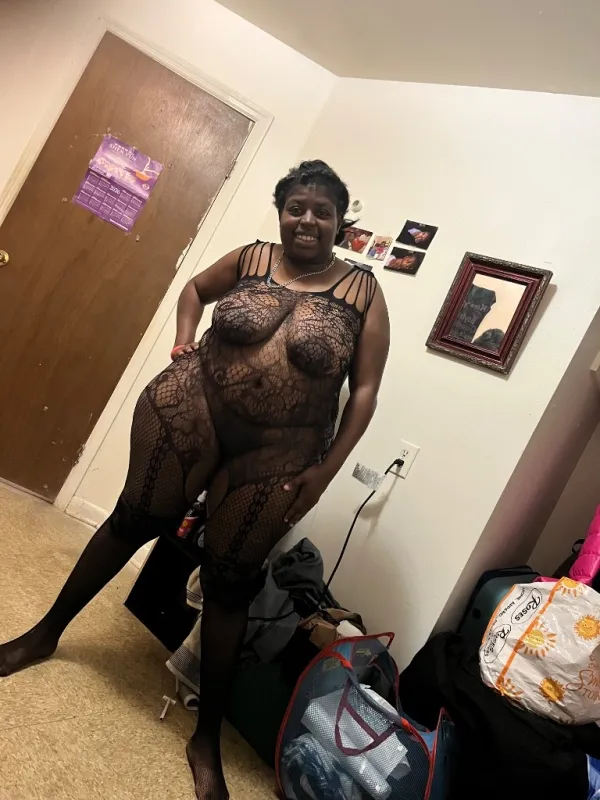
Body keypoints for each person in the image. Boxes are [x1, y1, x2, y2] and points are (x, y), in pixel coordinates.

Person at [0, 160, 390, 799]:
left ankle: (205, 736)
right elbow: (193, 290)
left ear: (340, 221)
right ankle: (42, 636)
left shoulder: (364, 294)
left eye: (322, 211)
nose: (307, 220)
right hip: (192, 412)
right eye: (296, 207)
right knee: (131, 522)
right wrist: (184, 340)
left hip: (279, 453)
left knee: (230, 583)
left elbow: (365, 391)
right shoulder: (253, 257)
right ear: (281, 212)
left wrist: (325, 473)